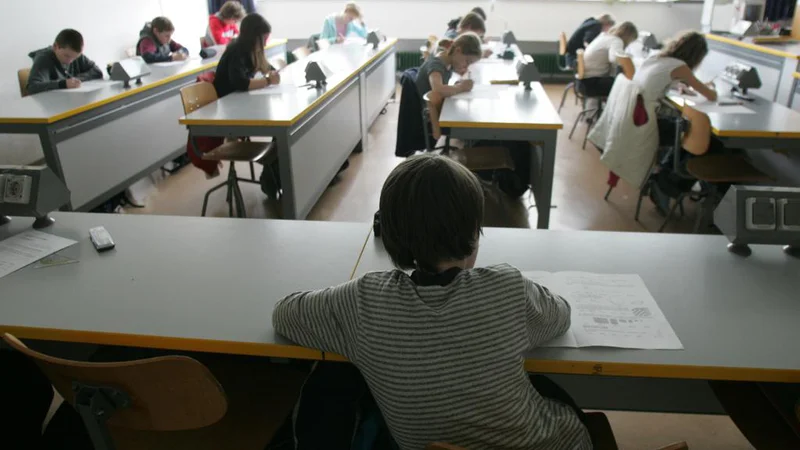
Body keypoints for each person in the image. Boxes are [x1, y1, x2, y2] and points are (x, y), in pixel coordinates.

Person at [273, 154, 592, 450]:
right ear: (473, 234)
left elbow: (285, 314)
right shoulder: (507, 288)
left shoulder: (362, 303)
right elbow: (560, 316)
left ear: (390, 236)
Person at [632, 31, 720, 213]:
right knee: (706, 140)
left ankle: (664, 174)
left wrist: (678, 85)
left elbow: (658, 79)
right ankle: (669, 180)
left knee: (689, 132)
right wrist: (710, 87)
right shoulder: (680, 66)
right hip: (650, 123)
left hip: (636, 117)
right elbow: (710, 96)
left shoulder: (657, 56)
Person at [213, 13, 279, 98]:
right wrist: (268, 81)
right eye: (263, 39)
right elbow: (240, 83)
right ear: (252, 37)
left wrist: (274, 73)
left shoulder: (252, 50)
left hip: (239, 97)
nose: (265, 44)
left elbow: (267, 68)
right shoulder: (236, 50)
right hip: (227, 99)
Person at [26, 29, 103, 95]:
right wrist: (62, 84)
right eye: (67, 56)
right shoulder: (43, 58)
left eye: (75, 57)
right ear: (55, 46)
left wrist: (75, 80)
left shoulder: (74, 54)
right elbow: (32, 87)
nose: (70, 61)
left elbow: (97, 71)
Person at [580, 21, 639, 98]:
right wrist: (629, 57)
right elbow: (614, 59)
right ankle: (617, 110)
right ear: (628, 37)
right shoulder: (616, 41)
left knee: (620, 81)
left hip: (583, 82)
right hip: (591, 84)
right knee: (629, 86)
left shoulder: (604, 36)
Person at [416, 32, 482, 99]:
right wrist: (461, 87)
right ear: (458, 51)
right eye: (467, 61)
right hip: (428, 108)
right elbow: (438, 90)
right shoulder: (436, 64)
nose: (466, 67)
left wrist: (457, 85)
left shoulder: (448, 63)